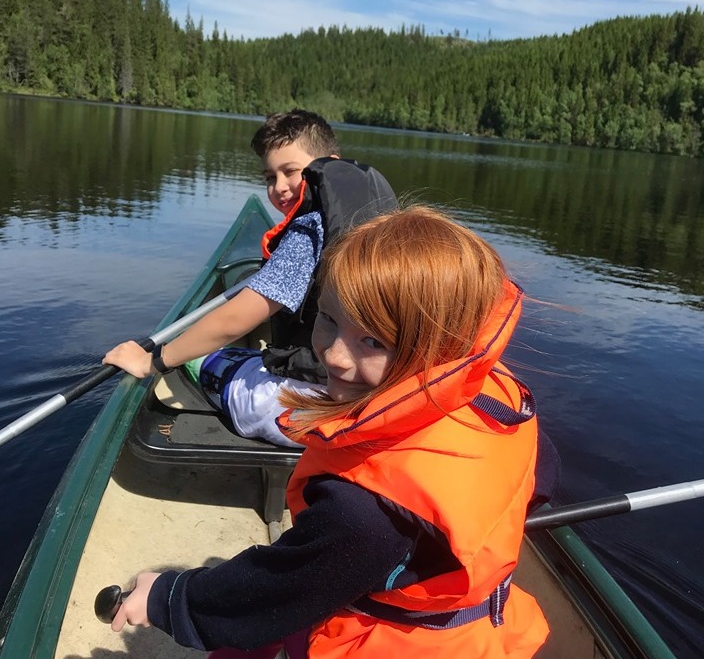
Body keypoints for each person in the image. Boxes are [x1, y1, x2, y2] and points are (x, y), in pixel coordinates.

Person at [110, 206, 550, 658]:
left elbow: (278, 590)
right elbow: (543, 477)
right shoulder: (504, 401)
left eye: (373, 341)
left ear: (437, 346)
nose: (335, 356)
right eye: (328, 319)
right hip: (475, 629)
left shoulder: (364, 511)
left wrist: (168, 597)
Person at [103, 109, 397, 447]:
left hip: (314, 408)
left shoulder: (310, 229)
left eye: (290, 172)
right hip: (376, 395)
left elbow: (235, 320)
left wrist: (152, 361)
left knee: (203, 359)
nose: (279, 187)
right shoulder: (378, 218)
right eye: (270, 177)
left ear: (327, 164)